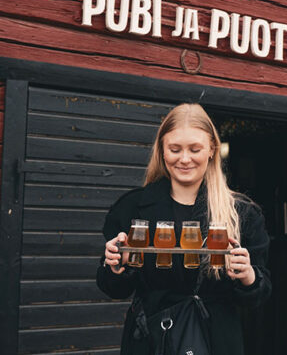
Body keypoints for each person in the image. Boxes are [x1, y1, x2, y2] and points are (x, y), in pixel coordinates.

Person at [96, 103, 272, 355]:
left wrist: (248, 277)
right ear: (162, 151)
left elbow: (259, 295)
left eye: (195, 149)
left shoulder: (241, 213)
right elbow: (112, 288)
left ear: (212, 149)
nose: (185, 158)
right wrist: (115, 266)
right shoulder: (133, 207)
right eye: (175, 149)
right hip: (151, 340)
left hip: (215, 341)